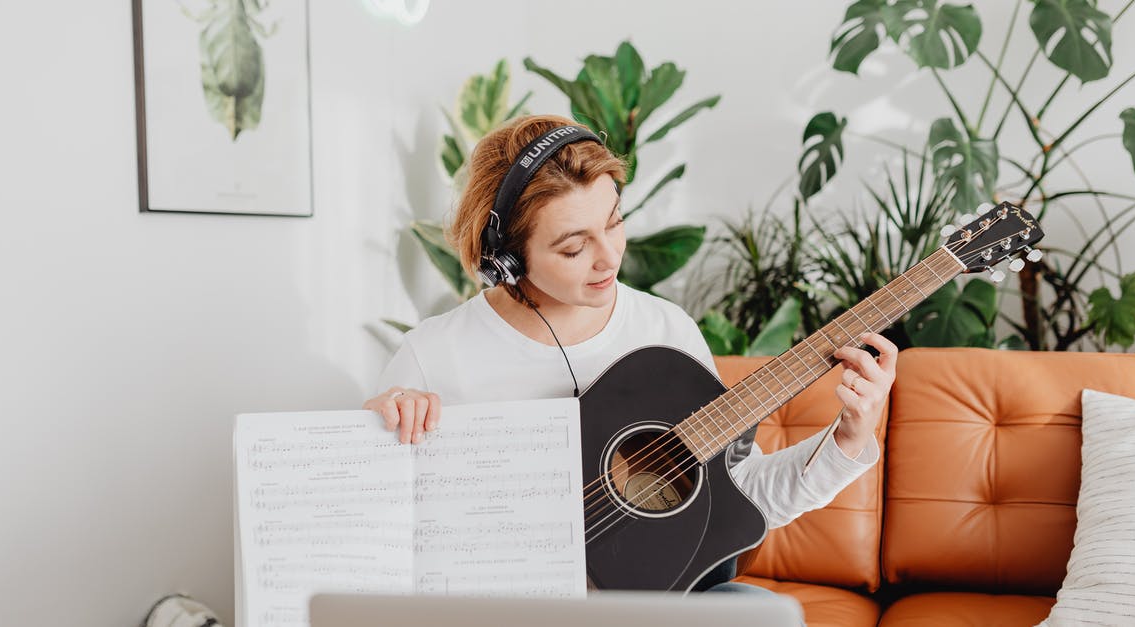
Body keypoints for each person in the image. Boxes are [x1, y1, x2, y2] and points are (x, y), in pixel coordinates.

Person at [364, 114, 897, 593]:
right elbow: (367, 526)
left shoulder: (665, 330)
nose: (609, 257)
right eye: (573, 248)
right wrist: (375, 433)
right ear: (505, 258)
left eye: (615, 222)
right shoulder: (434, 354)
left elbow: (740, 500)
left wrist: (850, 436)